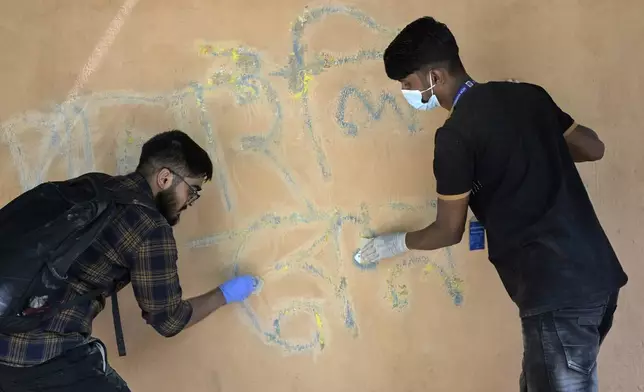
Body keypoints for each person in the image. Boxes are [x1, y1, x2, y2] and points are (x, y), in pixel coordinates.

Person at [358, 16, 628, 391]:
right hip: (599, 279)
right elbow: (592, 147)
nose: (406, 92)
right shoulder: (529, 95)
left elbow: (449, 230)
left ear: (434, 76)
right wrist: (536, 143)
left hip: (555, 293)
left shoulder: (455, 137)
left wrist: (395, 243)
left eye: (407, 83)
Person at [0, 130, 258, 391]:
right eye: (191, 191)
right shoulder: (150, 227)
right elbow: (169, 320)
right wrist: (224, 294)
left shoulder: (94, 185)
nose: (189, 202)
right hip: (41, 352)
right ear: (165, 178)